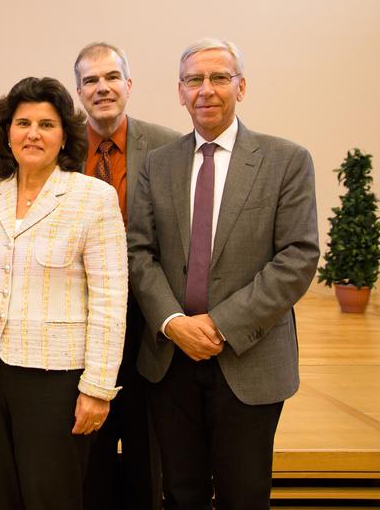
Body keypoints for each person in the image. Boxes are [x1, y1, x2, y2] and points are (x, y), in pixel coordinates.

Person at [128, 38, 320, 509]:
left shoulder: (286, 160)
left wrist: (218, 325)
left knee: (245, 495)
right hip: (170, 362)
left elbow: (298, 255)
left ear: (242, 86)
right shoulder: (158, 164)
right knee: (181, 493)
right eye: (195, 80)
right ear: (180, 92)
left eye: (219, 78)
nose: (206, 90)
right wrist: (173, 323)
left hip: (249, 359)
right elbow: (139, 252)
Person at [0, 77, 128, 509]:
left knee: (51, 496)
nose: (33, 133)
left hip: (56, 377)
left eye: (47, 124)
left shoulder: (92, 197)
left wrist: (98, 387)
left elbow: (110, 298)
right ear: (7, 132)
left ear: (65, 136)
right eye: (23, 122)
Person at [74, 42, 179, 510]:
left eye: (112, 77)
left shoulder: (166, 147)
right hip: (79, 321)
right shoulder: (60, 144)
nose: (103, 88)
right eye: (91, 80)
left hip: (146, 321)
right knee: (87, 451)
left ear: (129, 85)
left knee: (145, 448)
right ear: (79, 91)